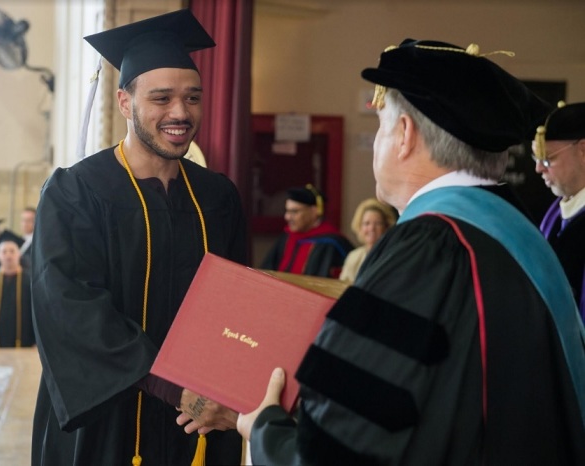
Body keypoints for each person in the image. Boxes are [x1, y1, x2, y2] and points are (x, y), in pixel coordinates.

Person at [238, 39, 585, 464]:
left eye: (382, 126)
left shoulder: (429, 248)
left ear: (403, 136)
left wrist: (265, 431)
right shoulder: (517, 234)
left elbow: (339, 449)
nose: (380, 142)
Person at [31, 9, 247, 466]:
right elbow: (70, 309)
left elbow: (239, 304)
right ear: (125, 103)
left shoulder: (218, 196)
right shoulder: (76, 192)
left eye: (193, 98)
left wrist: (234, 386)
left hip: (201, 421)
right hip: (109, 422)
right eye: (161, 98)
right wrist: (171, 386)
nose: (180, 113)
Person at [532, 101, 585, 322]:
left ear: (583, 150)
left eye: (548, 158)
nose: (539, 168)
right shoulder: (553, 213)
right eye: (536, 159)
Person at [260, 185, 353, 278]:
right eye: (287, 211)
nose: (287, 217)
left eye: (294, 211)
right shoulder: (287, 237)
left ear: (314, 211)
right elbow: (267, 270)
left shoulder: (332, 242)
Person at [339, 198, 397, 284]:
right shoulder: (353, 256)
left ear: (386, 227)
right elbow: (341, 287)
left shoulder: (392, 255)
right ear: (360, 227)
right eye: (367, 223)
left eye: (378, 223)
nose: (371, 228)